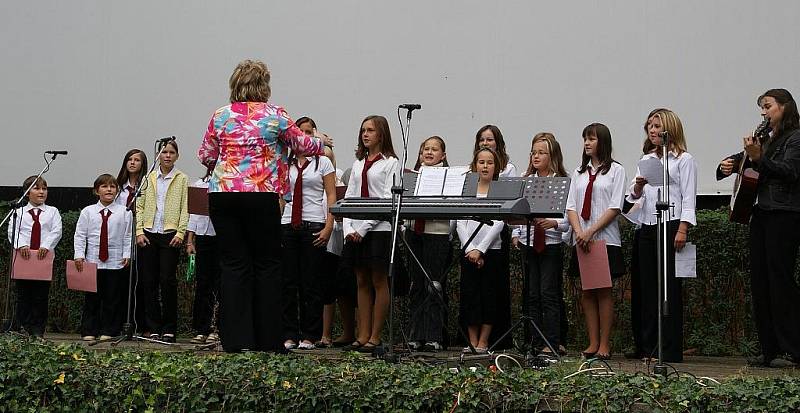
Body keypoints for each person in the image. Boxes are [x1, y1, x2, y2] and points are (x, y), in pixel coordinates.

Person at [197, 59, 324, 353]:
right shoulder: (275, 115)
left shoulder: (220, 115)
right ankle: (268, 339)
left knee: (233, 264)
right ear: (264, 85)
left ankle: (236, 339)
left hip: (224, 194)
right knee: (267, 264)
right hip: (261, 193)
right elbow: (303, 145)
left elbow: (205, 154)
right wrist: (323, 141)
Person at [628, 109, 697, 362]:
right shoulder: (646, 159)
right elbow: (634, 197)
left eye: (657, 125)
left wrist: (683, 228)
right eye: (649, 126)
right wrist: (637, 187)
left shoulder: (683, 159)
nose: (652, 130)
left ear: (669, 128)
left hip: (671, 223)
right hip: (648, 223)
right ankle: (648, 347)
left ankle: (668, 348)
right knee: (647, 287)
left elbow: (689, 197)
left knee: (667, 287)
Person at [740, 89, 800, 367]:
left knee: (780, 282)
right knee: (761, 282)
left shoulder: (796, 137)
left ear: (785, 107)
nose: (763, 113)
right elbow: (753, 160)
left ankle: (792, 348)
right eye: (761, 108)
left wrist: (758, 159)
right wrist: (728, 165)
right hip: (761, 213)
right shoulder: (769, 138)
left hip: (784, 214)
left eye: (767, 106)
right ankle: (769, 349)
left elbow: (790, 171)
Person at [565, 123, 626, 360]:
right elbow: (571, 206)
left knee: (604, 291)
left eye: (591, 139)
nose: (587, 143)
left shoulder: (616, 171)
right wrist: (580, 231)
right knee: (587, 291)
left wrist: (591, 231)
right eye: (585, 139)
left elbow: (615, 207)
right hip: (581, 239)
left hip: (604, 239)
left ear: (603, 142)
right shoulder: (578, 173)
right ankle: (592, 342)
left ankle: (604, 344)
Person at [341, 115, 399, 353]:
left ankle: (375, 335)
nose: (366, 135)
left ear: (381, 134)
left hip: (378, 228)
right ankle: (362, 334)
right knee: (360, 280)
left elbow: (387, 199)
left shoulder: (390, 163)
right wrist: (349, 228)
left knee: (378, 280)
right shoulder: (357, 164)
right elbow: (351, 196)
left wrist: (364, 228)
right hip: (356, 230)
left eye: (371, 130)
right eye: (363, 130)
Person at [281, 116, 337, 350]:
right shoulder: (286, 161)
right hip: (287, 224)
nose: (303, 137)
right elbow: (280, 195)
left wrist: (328, 226)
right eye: (299, 132)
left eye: (308, 132)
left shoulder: (322, 162)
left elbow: (332, 196)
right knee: (288, 283)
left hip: (314, 224)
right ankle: (289, 334)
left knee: (311, 283)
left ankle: (310, 335)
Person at [512, 133, 570, 353]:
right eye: (534, 152)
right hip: (529, 242)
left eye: (541, 152)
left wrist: (554, 223)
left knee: (548, 293)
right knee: (532, 294)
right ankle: (534, 340)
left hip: (550, 244)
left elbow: (568, 218)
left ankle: (552, 342)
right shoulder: (526, 179)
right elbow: (518, 210)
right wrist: (516, 233)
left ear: (552, 155)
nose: (536, 156)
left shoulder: (561, 181)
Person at [136, 139, 188, 343]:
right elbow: (139, 206)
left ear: (177, 156)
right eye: (164, 152)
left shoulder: (182, 178)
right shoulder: (148, 177)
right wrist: (139, 230)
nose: (167, 156)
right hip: (149, 232)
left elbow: (185, 207)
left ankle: (169, 328)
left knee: (167, 281)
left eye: (171, 153)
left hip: (170, 233)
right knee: (148, 281)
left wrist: (181, 233)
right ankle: (152, 327)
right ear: (158, 155)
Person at [455, 147, 505, 353]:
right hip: (469, 251)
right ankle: (472, 340)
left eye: (490, 162)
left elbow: (499, 222)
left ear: (496, 166)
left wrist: (481, 250)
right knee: (470, 295)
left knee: (488, 295)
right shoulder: (467, 189)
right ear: (475, 165)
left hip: (491, 250)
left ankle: (484, 341)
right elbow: (459, 220)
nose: (485, 166)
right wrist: (470, 249)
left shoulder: (499, 190)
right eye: (481, 162)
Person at [406, 136, 452, 352]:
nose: (429, 152)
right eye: (426, 149)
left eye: (435, 149)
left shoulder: (448, 177)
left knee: (433, 285)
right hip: (415, 232)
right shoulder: (413, 176)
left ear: (443, 155)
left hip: (436, 233)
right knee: (416, 285)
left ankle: (434, 336)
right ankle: (416, 335)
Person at [74, 174, 132, 341]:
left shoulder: (124, 212)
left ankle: (109, 330)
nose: (109, 189)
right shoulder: (88, 211)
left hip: (115, 261)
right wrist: (79, 254)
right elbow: (80, 235)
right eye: (104, 186)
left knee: (112, 298)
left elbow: (128, 236)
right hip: (93, 261)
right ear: (96, 190)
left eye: (112, 187)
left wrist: (126, 254)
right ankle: (89, 330)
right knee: (92, 298)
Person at [6, 175, 62, 337]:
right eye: (37, 188)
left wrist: (46, 245)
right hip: (24, 259)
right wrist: (22, 244)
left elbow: (56, 231)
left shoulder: (52, 212)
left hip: (42, 259)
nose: (41, 192)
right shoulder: (19, 212)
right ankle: (23, 326)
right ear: (27, 193)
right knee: (24, 294)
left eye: (44, 189)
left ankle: (38, 329)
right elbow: (13, 230)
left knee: (40, 295)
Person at [114, 149, 148, 334]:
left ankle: (140, 324)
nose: (133, 163)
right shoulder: (118, 187)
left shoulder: (146, 186)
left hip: (139, 235)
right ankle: (119, 323)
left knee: (139, 282)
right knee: (120, 282)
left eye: (137, 160)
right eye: (130, 159)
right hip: (119, 238)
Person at [186, 172, 220, 345]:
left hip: (221, 236)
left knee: (219, 282)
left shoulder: (229, 183)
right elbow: (194, 215)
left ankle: (217, 328)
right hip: (203, 235)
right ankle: (202, 328)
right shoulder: (199, 183)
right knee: (203, 282)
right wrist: (190, 240)